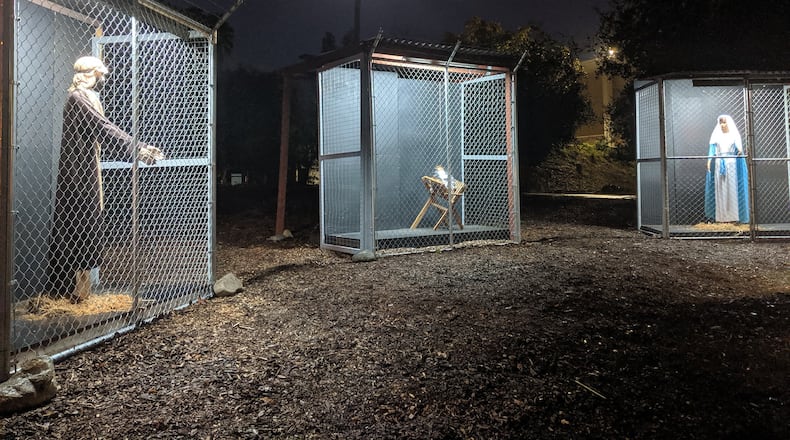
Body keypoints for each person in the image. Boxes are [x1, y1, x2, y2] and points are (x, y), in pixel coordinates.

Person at [47, 56, 163, 303]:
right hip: (77, 171)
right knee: (79, 223)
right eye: (100, 76)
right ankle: (73, 292)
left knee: (88, 223)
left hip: (87, 167)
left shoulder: (88, 97)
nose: (103, 80)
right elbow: (103, 128)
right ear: (91, 74)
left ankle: (81, 293)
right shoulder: (78, 97)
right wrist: (138, 148)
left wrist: (137, 148)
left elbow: (102, 130)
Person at [705, 114, 749, 223]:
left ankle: (733, 217)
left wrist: (739, 150)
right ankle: (721, 217)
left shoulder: (734, 135)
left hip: (731, 163)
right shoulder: (716, 136)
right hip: (720, 163)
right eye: (720, 122)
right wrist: (709, 161)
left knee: (732, 188)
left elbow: (739, 149)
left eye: (724, 122)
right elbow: (712, 150)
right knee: (720, 188)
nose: (722, 125)